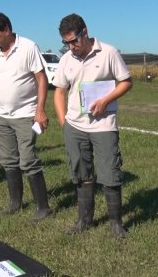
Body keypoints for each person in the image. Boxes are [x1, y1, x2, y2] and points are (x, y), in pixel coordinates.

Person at [53, 13, 132, 238]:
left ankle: (116, 223)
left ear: (84, 33)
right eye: (65, 43)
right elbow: (59, 90)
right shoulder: (66, 59)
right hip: (75, 126)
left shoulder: (108, 52)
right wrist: (64, 121)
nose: (71, 47)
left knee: (110, 173)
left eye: (73, 41)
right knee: (81, 173)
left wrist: (106, 100)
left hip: (104, 125)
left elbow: (126, 81)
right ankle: (84, 221)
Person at [0, 12, 52, 221]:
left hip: (25, 115)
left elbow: (41, 79)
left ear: (7, 30)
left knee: (28, 159)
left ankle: (43, 207)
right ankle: (15, 202)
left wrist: (40, 110)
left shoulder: (28, 47)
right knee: (8, 161)